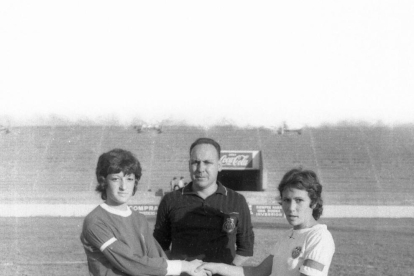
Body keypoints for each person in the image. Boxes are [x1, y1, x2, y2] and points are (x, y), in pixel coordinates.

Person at [80, 148, 208, 276]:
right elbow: (131, 263)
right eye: (115, 179)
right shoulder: (95, 221)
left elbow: (159, 259)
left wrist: (193, 269)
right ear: (103, 181)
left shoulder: (139, 219)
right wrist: (184, 266)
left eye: (129, 179)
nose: (123, 186)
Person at [197, 168, 335, 276]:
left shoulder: (319, 237)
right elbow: (257, 272)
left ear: (315, 203)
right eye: (286, 200)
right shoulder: (288, 235)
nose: (291, 208)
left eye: (299, 200)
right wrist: (216, 267)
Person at [154, 138, 254, 268]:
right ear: (189, 165)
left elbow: (246, 249)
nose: (200, 169)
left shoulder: (237, 200)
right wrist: (179, 269)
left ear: (219, 165)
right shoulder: (170, 200)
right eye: (195, 162)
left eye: (207, 162)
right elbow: (159, 245)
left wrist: (226, 271)